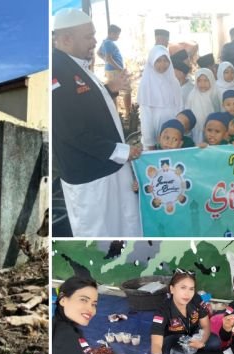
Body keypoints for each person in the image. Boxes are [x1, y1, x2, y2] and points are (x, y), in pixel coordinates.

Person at [51, 8, 142, 237]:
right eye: (88, 36)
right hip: (91, 179)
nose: (94, 42)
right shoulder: (57, 70)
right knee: (100, 237)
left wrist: (110, 90)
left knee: (124, 229)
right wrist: (122, 150)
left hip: (109, 168)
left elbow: (86, 110)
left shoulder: (78, 64)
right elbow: (70, 131)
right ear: (66, 39)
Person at [150, 270, 232, 354]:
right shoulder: (163, 310)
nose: (187, 294)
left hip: (193, 336)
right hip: (173, 340)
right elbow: (156, 343)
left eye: (191, 289)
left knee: (215, 342)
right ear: (172, 289)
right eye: (183, 287)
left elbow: (206, 325)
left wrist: (201, 341)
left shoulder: (196, 300)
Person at [138, 45, 183, 150]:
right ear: (151, 61)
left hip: (173, 129)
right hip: (155, 126)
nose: (162, 64)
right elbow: (146, 117)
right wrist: (150, 142)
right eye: (158, 61)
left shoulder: (173, 81)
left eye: (165, 60)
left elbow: (180, 106)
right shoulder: (146, 83)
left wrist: (179, 128)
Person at [98, 24, 131, 116]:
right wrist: (120, 68)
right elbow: (108, 58)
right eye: (117, 34)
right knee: (127, 89)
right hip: (114, 70)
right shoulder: (108, 43)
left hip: (110, 70)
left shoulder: (105, 42)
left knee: (114, 92)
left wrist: (107, 62)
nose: (118, 37)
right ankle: (129, 113)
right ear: (111, 33)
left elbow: (98, 53)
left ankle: (116, 114)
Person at [186, 69, 220, 145]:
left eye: (205, 80)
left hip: (213, 129)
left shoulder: (215, 94)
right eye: (199, 81)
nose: (202, 84)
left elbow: (219, 111)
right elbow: (188, 111)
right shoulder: (192, 95)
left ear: (211, 80)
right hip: (196, 128)